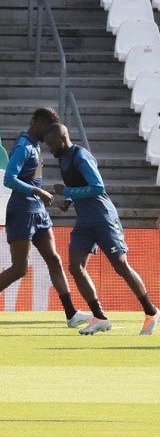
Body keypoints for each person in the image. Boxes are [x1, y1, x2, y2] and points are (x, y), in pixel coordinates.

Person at [0, 109, 91, 328]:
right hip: (22, 211)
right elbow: (8, 179)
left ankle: (71, 314)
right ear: (38, 123)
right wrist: (37, 191)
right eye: (48, 127)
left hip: (38, 211)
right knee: (20, 268)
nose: (50, 134)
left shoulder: (35, 146)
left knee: (54, 259)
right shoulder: (23, 146)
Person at [43, 124, 157, 335]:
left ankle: (151, 311)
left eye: (51, 144)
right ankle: (99, 317)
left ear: (63, 138)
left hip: (103, 218)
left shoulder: (81, 156)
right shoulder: (63, 158)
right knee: (75, 266)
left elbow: (98, 187)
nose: (50, 149)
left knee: (121, 266)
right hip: (85, 221)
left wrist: (67, 191)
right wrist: (69, 200)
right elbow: (80, 184)